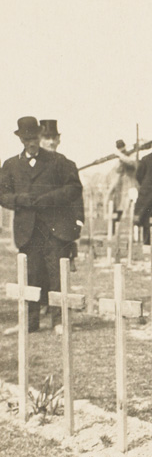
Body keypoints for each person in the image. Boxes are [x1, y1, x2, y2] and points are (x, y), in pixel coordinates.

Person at [0, 117, 83, 331]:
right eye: (27, 139)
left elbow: (74, 188)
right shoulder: (11, 165)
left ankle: (59, 321)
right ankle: (29, 322)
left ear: (40, 136)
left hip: (55, 230)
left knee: (56, 275)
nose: (32, 142)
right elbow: (3, 194)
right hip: (28, 231)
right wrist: (20, 200)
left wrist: (49, 198)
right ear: (21, 140)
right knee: (31, 275)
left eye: (35, 138)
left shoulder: (58, 161)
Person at [39, 119, 83, 276]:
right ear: (39, 139)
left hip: (61, 229)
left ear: (59, 140)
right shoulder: (30, 165)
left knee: (58, 273)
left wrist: (78, 219)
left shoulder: (68, 164)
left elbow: (76, 195)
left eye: (53, 138)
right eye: (46, 138)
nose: (50, 142)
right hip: (36, 228)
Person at [108, 139, 137, 233]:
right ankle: (114, 231)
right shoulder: (119, 159)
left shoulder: (131, 155)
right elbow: (116, 170)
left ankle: (135, 233)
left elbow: (132, 163)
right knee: (117, 209)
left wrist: (121, 156)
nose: (121, 149)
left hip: (130, 185)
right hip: (120, 187)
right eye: (119, 148)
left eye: (122, 147)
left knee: (133, 208)